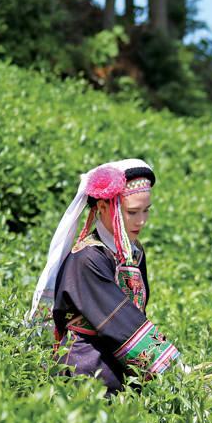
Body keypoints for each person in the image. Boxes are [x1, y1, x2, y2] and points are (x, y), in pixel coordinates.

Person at [27, 159, 180, 394]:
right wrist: (175, 370)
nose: (141, 221)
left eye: (146, 210)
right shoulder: (87, 258)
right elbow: (121, 321)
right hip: (87, 373)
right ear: (103, 207)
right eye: (131, 212)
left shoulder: (133, 253)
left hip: (119, 366)